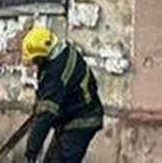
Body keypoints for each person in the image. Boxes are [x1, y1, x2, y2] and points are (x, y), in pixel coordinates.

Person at [21, 23, 103, 161]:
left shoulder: (55, 74)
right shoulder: (60, 50)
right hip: (69, 117)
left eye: (35, 60)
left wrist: (31, 152)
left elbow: (46, 114)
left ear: (41, 55)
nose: (34, 64)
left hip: (82, 120)